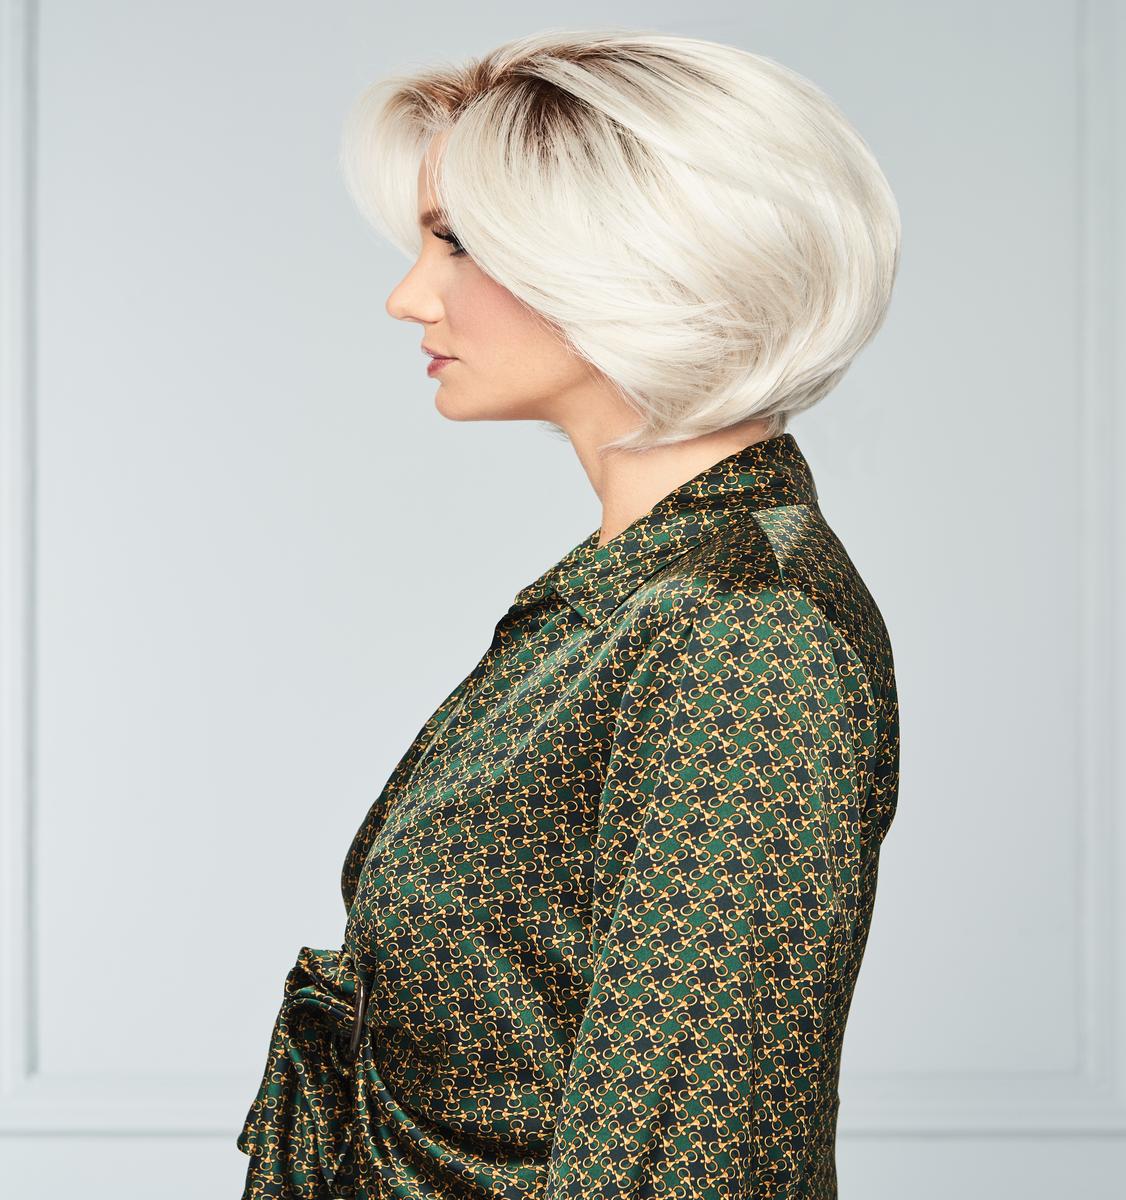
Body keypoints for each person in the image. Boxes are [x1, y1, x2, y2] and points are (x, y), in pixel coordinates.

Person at [237, 27, 901, 1200]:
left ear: (624, 256)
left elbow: (694, 1152)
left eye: (456, 243)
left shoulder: (737, 626)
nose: (407, 296)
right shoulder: (637, 591)